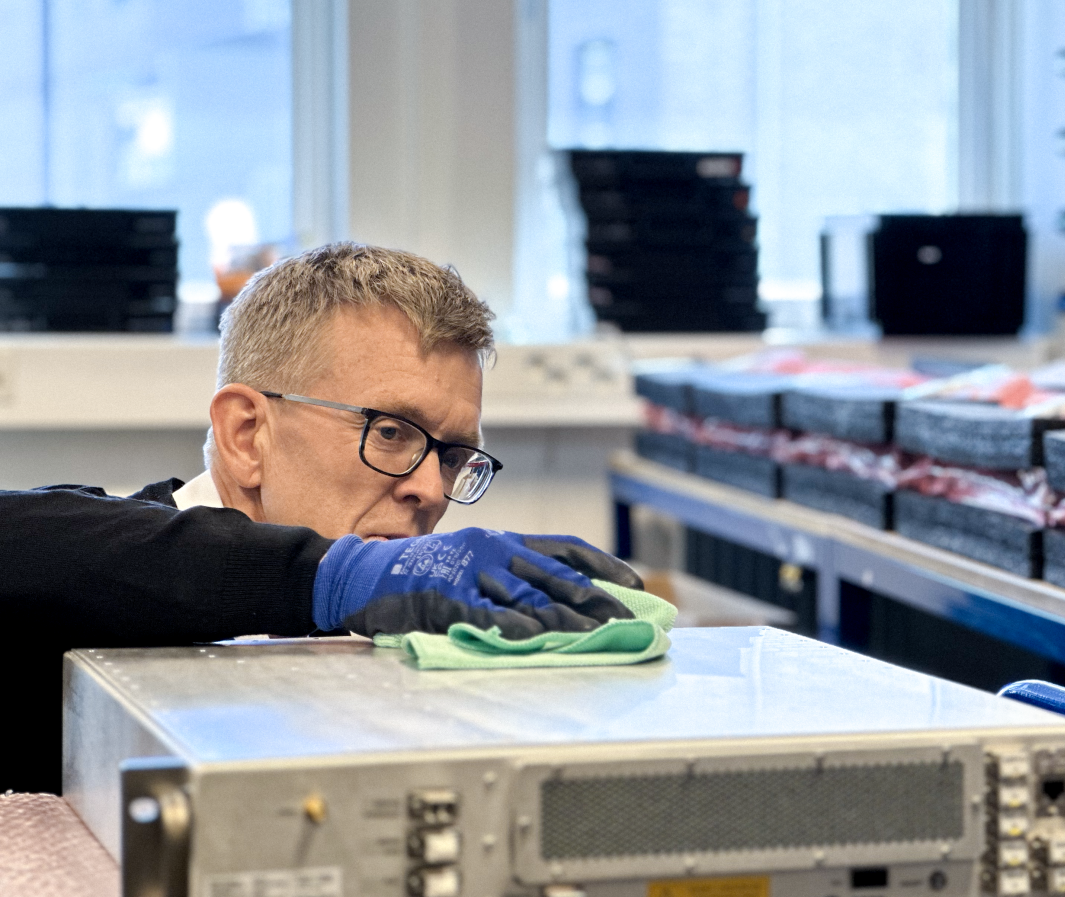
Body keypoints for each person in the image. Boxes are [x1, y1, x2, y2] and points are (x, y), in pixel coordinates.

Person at [3, 243, 640, 793]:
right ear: (246, 435)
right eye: (391, 432)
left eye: (454, 457)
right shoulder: (76, 572)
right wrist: (336, 574)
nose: (428, 489)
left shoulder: (413, 634)